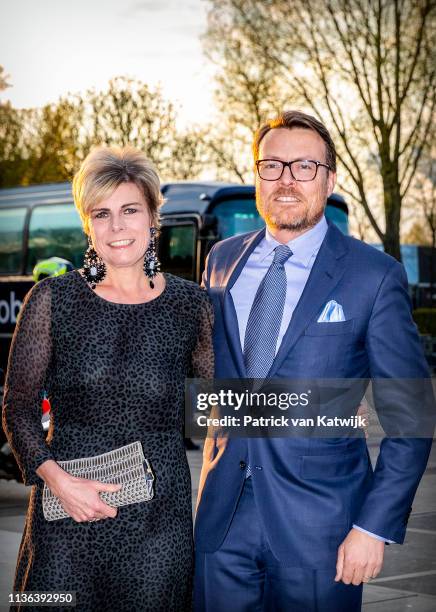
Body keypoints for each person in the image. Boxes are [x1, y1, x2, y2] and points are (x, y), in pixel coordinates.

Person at [194, 110, 433, 611]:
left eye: (304, 166)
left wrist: (372, 526)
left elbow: (410, 418)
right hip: (221, 524)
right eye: (272, 166)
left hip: (324, 531)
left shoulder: (374, 275)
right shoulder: (220, 262)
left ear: (329, 178)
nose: (286, 180)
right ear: (257, 175)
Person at [2, 146, 213, 612]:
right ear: (88, 224)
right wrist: (57, 481)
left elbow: (225, 403)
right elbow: (16, 410)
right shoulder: (52, 299)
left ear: (153, 217)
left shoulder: (190, 305)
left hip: (159, 531)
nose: (117, 226)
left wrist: (327, 408)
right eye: (102, 213)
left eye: (130, 210)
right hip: (64, 520)